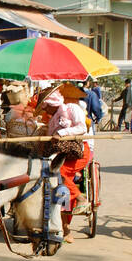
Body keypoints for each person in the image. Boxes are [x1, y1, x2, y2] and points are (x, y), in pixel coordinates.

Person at [39, 89, 90, 242]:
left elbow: (82, 128)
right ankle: (64, 226)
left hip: (78, 153)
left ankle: (80, 197)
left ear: (52, 104)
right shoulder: (53, 118)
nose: (44, 110)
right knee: (57, 184)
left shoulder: (73, 108)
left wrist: (61, 134)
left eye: (45, 106)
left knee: (58, 173)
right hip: (61, 154)